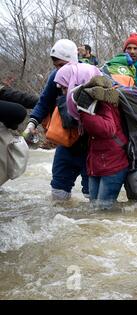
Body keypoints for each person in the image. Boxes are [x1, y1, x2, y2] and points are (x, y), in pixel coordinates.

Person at [54, 64, 128, 209]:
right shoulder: (90, 101)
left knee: (103, 211)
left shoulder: (105, 99)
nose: (64, 92)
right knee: (95, 210)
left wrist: (84, 112)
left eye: (65, 87)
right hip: (97, 163)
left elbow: (108, 129)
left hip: (112, 165)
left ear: (76, 84)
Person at [25, 39, 90, 201]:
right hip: (66, 142)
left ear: (72, 61)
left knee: (92, 197)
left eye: (62, 65)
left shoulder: (92, 74)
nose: (59, 70)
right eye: (56, 66)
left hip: (91, 146)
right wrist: (31, 124)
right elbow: (44, 102)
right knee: (58, 192)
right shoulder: (55, 77)